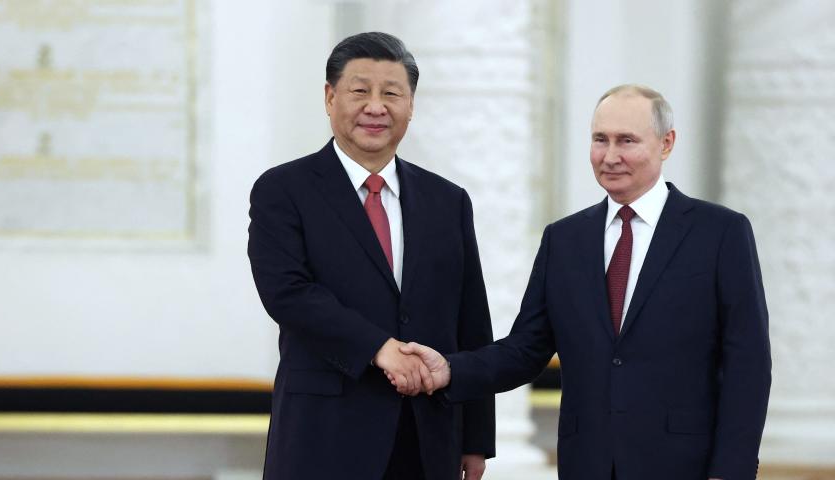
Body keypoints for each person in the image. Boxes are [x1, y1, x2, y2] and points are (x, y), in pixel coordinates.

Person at [398, 85, 772, 480]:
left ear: (667, 143)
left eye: (626, 141)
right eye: (600, 140)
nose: (610, 156)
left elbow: (747, 363)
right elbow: (525, 350)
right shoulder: (563, 240)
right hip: (587, 463)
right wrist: (450, 370)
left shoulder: (720, 233)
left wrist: (732, 469)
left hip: (684, 465)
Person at [248, 32, 495, 480]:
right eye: (360, 91)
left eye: (392, 94)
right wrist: (379, 348)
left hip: (427, 436)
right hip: (323, 436)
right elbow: (287, 293)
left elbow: (470, 319)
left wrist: (477, 438)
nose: (376, 107)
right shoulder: (284, 190)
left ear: (411, 105)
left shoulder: (448, 200)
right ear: (330, 97)